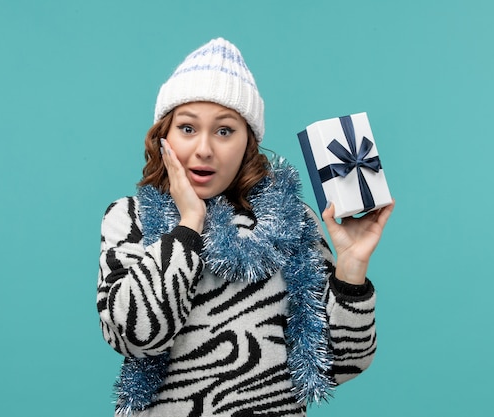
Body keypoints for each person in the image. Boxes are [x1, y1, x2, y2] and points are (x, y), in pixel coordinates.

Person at [97, 37, 394, 417]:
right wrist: (189, 224)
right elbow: (134, 337)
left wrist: (350, 267)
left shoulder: (291, 222)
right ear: (163, 139)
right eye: (187, 128)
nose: (204, 148)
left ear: (248, 143)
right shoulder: (130, 218)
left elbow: (338, 366)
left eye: (224, 131)